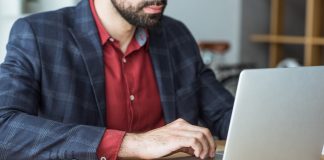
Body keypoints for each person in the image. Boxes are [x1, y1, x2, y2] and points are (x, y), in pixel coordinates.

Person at [0, 0, 234, 159]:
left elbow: (226, 115)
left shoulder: (176, 34)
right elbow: (5, 128)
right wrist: (132, 144)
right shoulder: (38, 33)